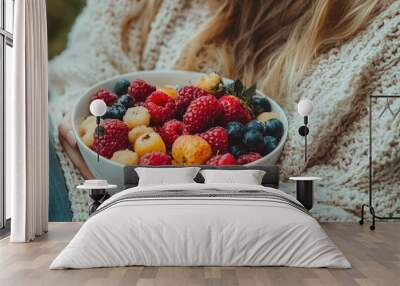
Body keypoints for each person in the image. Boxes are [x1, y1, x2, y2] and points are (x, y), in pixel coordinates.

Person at [49, 0, 400, 221]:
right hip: (79, 180)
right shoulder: (147, 7)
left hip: (239, 233)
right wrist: (80, 113)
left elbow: (366, 204)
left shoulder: (387, 34)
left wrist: (203, 197)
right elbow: (81, 69)